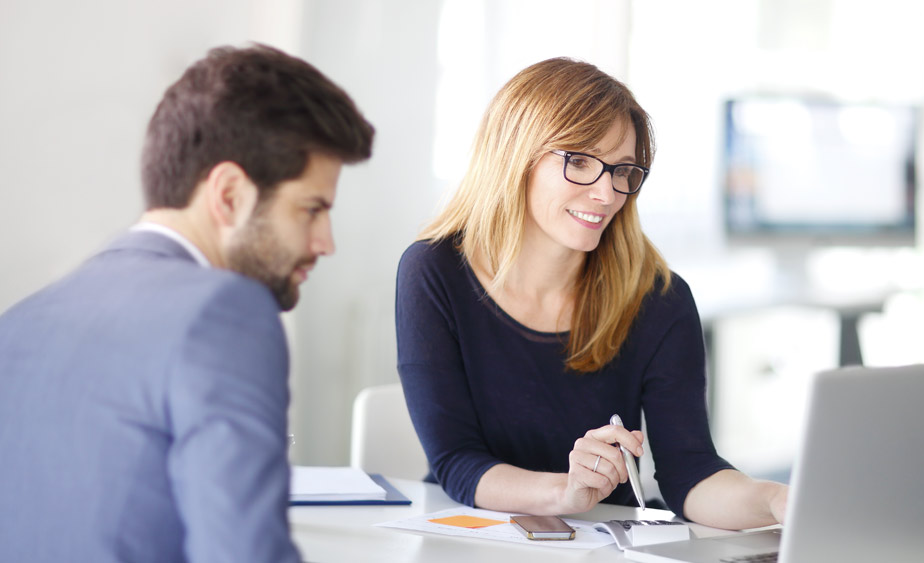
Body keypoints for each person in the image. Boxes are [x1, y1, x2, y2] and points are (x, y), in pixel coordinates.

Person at [0, 44, 373, 562]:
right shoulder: (226, 311)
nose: (325, 242)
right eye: (311, 210)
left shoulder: (20, 320)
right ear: (228, 196)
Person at [395, 57, 786, 530]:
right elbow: (456, 461)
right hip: (472, 536)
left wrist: (774, 499)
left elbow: (690, 471)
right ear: (516, 155)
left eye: (623, 170)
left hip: (601, 545)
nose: (607, 194)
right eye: (580, 161)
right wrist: (566, 490)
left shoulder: (658, 299)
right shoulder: (436, 271)